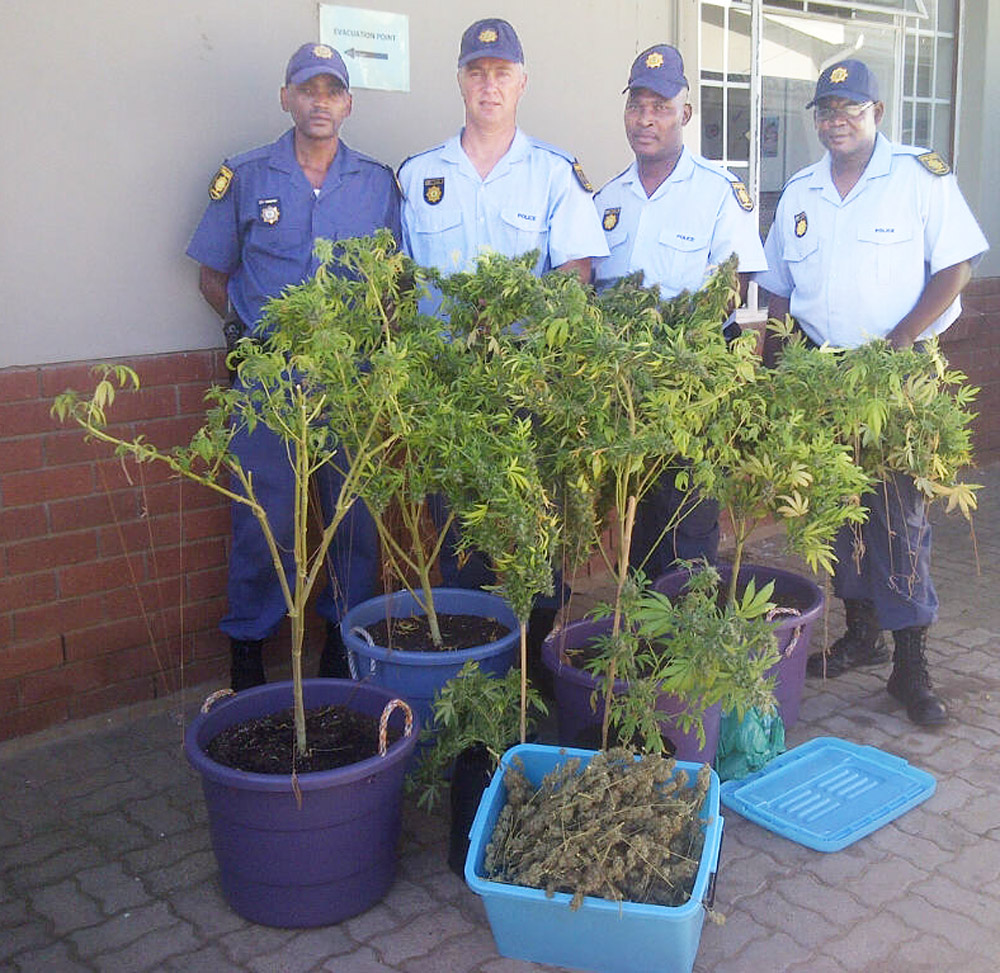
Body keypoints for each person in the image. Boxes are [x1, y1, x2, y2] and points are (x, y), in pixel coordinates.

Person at [755, 59, 988, 726]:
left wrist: (905, 336)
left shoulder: (918, 177)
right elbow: (777, 287)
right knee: (834, 508)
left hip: (892, 377)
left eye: (850, 108)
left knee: (897, 515)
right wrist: (771, 366)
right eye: (826, 109)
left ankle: (911, 664)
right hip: (821, 377)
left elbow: (957, 265)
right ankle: (861, 634)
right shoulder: (800, 191)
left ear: (877, 113)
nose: (837, 120)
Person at [186, 43, 402, 691]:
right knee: (263, 519)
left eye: (333, 90)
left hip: (349, 381)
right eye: (307, 89)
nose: (320, 102)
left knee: (353, 519)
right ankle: (249, 652)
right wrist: (253, 337)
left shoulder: (375, 182)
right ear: (286, 97)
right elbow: (211, 274)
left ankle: (341, 646)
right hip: (269, 384)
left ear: (348, 104)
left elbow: (391, 284)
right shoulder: (247, 176)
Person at [397, 18, 609, 654]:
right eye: (476, 72)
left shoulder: (552, 173)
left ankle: (532, 668)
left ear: (523, 83)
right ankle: (475, 668)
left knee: (532, 533)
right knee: (459, 530)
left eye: (502, 73)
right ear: (460, 81)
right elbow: (401, 285)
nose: (489, 85)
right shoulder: (417, 175)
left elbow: (576, 273)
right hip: (447, 393)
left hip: (528, 392)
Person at [593, 44, 767, 580]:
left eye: (660, 107)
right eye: (637, 105)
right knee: (638, 519)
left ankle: (685, 647)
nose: (646, 119)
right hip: (625, 395)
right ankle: (644, 645)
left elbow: (732, 287)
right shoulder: (604, 200)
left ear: (685, 114)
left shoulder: (718, 193)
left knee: (689, 526)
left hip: (691, 394)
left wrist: (677, 359)